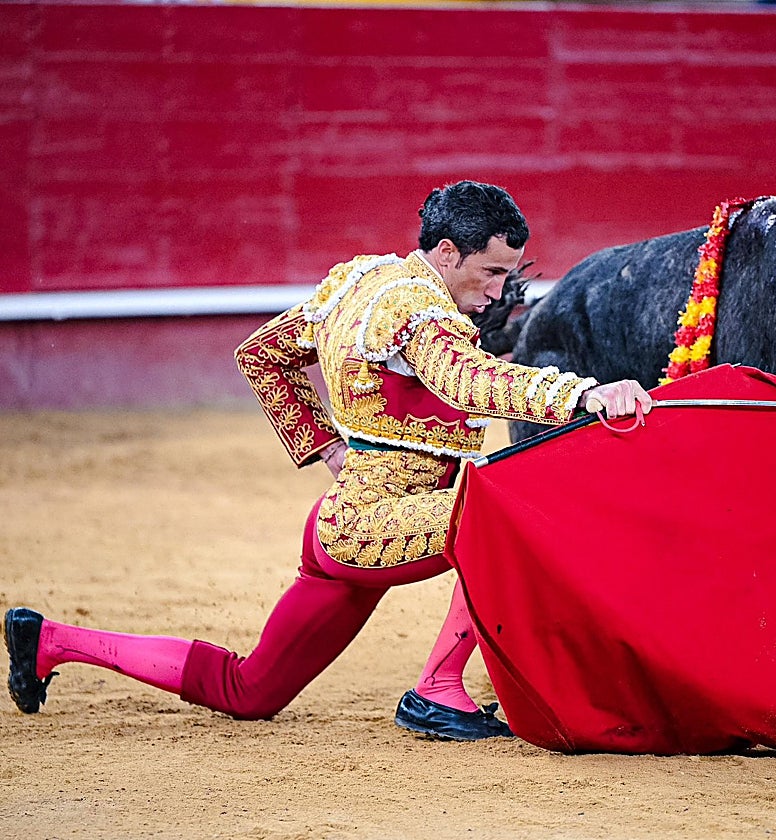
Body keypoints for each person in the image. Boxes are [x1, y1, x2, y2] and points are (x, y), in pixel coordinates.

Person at [4, 180, 652, 740]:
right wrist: (583, 392)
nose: (500, 288)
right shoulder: (416, 308)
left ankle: (52, 641)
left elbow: (263, 355)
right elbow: (462, 381)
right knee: (506, 510)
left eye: (507, 273)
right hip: (373, 525)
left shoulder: (362, 279)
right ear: (447, 252)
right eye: (490, 272)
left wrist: (328, 448)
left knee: (249, 690)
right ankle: (438, 689)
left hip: (345, 525)